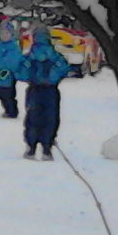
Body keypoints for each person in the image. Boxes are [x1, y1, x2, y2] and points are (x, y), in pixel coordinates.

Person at [18, 26, 72, 158]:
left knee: (33, 118)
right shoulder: (56, 56)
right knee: (50, 118)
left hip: (34, 89)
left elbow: (21, 73)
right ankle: (47, 147)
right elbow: (64, 69)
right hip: (51, 90)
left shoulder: (30, 57)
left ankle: (31, 146)